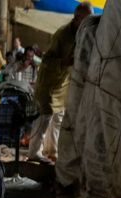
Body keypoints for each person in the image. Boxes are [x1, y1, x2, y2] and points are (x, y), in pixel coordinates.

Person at [28, 3, 90, 163]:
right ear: (77, 18)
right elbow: (47, 60)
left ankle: (52, 150)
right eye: (86, 19)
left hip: (63, 83)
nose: (88, 22)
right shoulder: (62, 35)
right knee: (45, 117)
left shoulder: (82, 33)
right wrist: (65, 61)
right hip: (49, 81)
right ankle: (34, 152)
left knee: (59, 118)